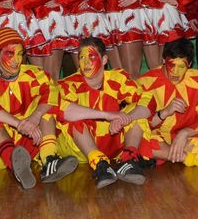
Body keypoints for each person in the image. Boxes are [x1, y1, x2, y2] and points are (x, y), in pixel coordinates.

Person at [0, 27, 78, 189]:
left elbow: (52, 91)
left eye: (20, 54)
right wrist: (19, 124)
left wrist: (34, 117)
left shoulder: (35, 74)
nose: (16, 60)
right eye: (10, 54)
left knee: (48, 105)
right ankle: (14, 162)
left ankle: (49, 160)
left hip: (32, 138)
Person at [55, 37, 154, 188]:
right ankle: (99, 164)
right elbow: (64, 110)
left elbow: (148, 100)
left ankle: (128, 160)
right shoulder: (69, 84)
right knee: (74, 119)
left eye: (91, 57)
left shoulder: (117, 79)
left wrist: (125, 118)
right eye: (82, 57)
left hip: (112, 143)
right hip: (80, 150)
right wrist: (108, 115)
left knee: (135, 111)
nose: (86, 63)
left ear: (104, 60)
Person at [137, 38, 198, 168]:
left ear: (189, 65)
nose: (175, 72)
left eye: (182, 66)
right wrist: (164, 113)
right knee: (138, 139)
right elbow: (140, 123)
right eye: (171, 65)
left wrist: (185, 133)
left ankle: (161, 155)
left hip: (188, 138)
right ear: (163, 60)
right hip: (158, 136)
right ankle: (192, 158)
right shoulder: (145, 83)